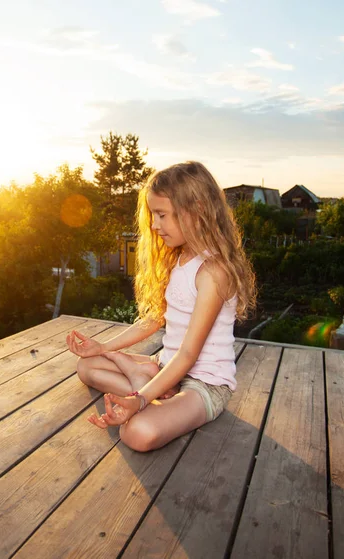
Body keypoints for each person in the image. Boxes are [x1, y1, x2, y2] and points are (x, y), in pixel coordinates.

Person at [66, 161, 256, 452]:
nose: (154, 225)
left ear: (197, 210)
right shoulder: (177, 257)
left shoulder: (213, 272)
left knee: (137, 432)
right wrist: (103, 347)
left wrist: (139, 401)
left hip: (203, 384)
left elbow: (189, 355)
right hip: (167, 365)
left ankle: (142, 384)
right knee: (86, 366)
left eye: (162, 215)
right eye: (154, 215)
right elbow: (154, 320)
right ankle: (145, 380)